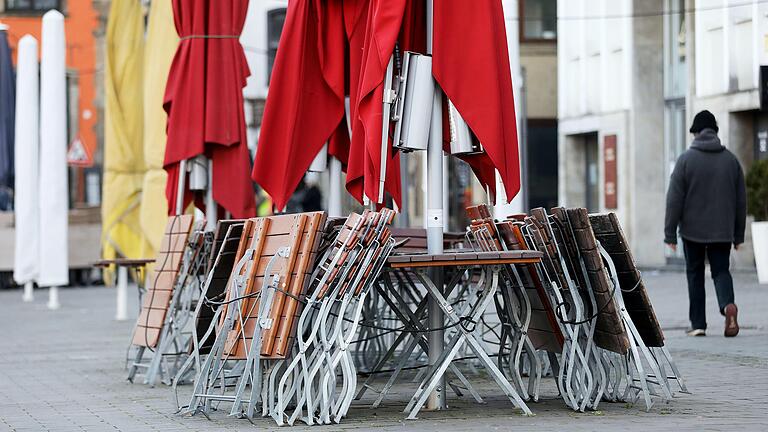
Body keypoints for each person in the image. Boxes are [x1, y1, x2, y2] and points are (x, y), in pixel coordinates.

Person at [664, 110, 746, 338]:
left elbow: (674, 200)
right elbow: (741, 201)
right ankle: (727, 305)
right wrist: (738, 236)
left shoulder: (685, 160)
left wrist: (669, 234)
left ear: (696, 133)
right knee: (721, 271)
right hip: (722, 231)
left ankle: (698, 324)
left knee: (695, 274)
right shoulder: (731, 161)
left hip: (692, 231)